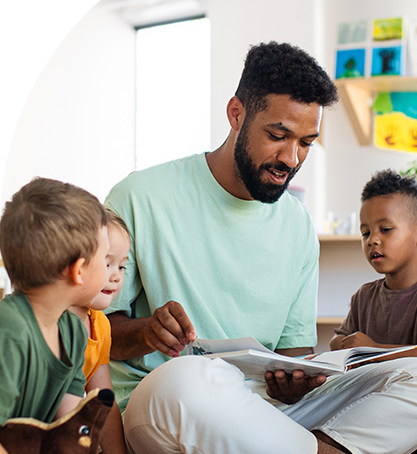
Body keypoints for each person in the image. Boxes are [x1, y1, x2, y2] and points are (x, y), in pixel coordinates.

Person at [105, 41, 417, 454]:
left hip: (267, 413)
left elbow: (294, 354)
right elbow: (90, 334)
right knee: (185, 379)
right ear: (237, 114)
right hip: (170, 405)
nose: (291, 157)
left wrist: (295, 383)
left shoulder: (297, 224)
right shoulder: (140, 196)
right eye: (278, 135)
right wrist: (147, 332)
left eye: (306, 142)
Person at [0, 177, 109, 453]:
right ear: (79, 270)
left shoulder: (73, 332)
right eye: (106, 260)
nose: (111, 273)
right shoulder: (9, 330)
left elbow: (68, 427)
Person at [330, 169, 417, 351]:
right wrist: (345, 343)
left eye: (385, 229)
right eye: (365, 233)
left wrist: (373, 349)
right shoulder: (364, 296)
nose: (372, 240)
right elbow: (337, 339)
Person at [69, 208, 130, 454]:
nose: (115, 276)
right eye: (107, 264)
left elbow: (103, 400)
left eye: (122, 267)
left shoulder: (100, 325)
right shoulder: (51, 321)